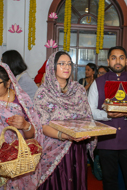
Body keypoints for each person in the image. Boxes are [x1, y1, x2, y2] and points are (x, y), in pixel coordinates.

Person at [88, 46, 127, 190]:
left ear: (126, 61)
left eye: (121, 57)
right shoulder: (98, 83)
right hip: (107, 141)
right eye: (114, 58)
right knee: (109, 183)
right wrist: (107, 115)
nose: (118, 61)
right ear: (108, 61)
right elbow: (89, 111)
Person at [34, 51, 96, 190]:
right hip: (53, 147)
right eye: (61, 64)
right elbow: (41, 125)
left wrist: (83, 132)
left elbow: (87, 117)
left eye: (69, 64)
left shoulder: (78, 90)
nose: (66, 67)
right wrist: (64, 135)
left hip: (77, 146)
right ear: (52, 67)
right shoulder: (43, 93)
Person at [0, 63, 43, 190]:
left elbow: (33, 135)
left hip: (16, 159)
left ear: (8, 83)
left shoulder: (21, 101)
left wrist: (25, 125)